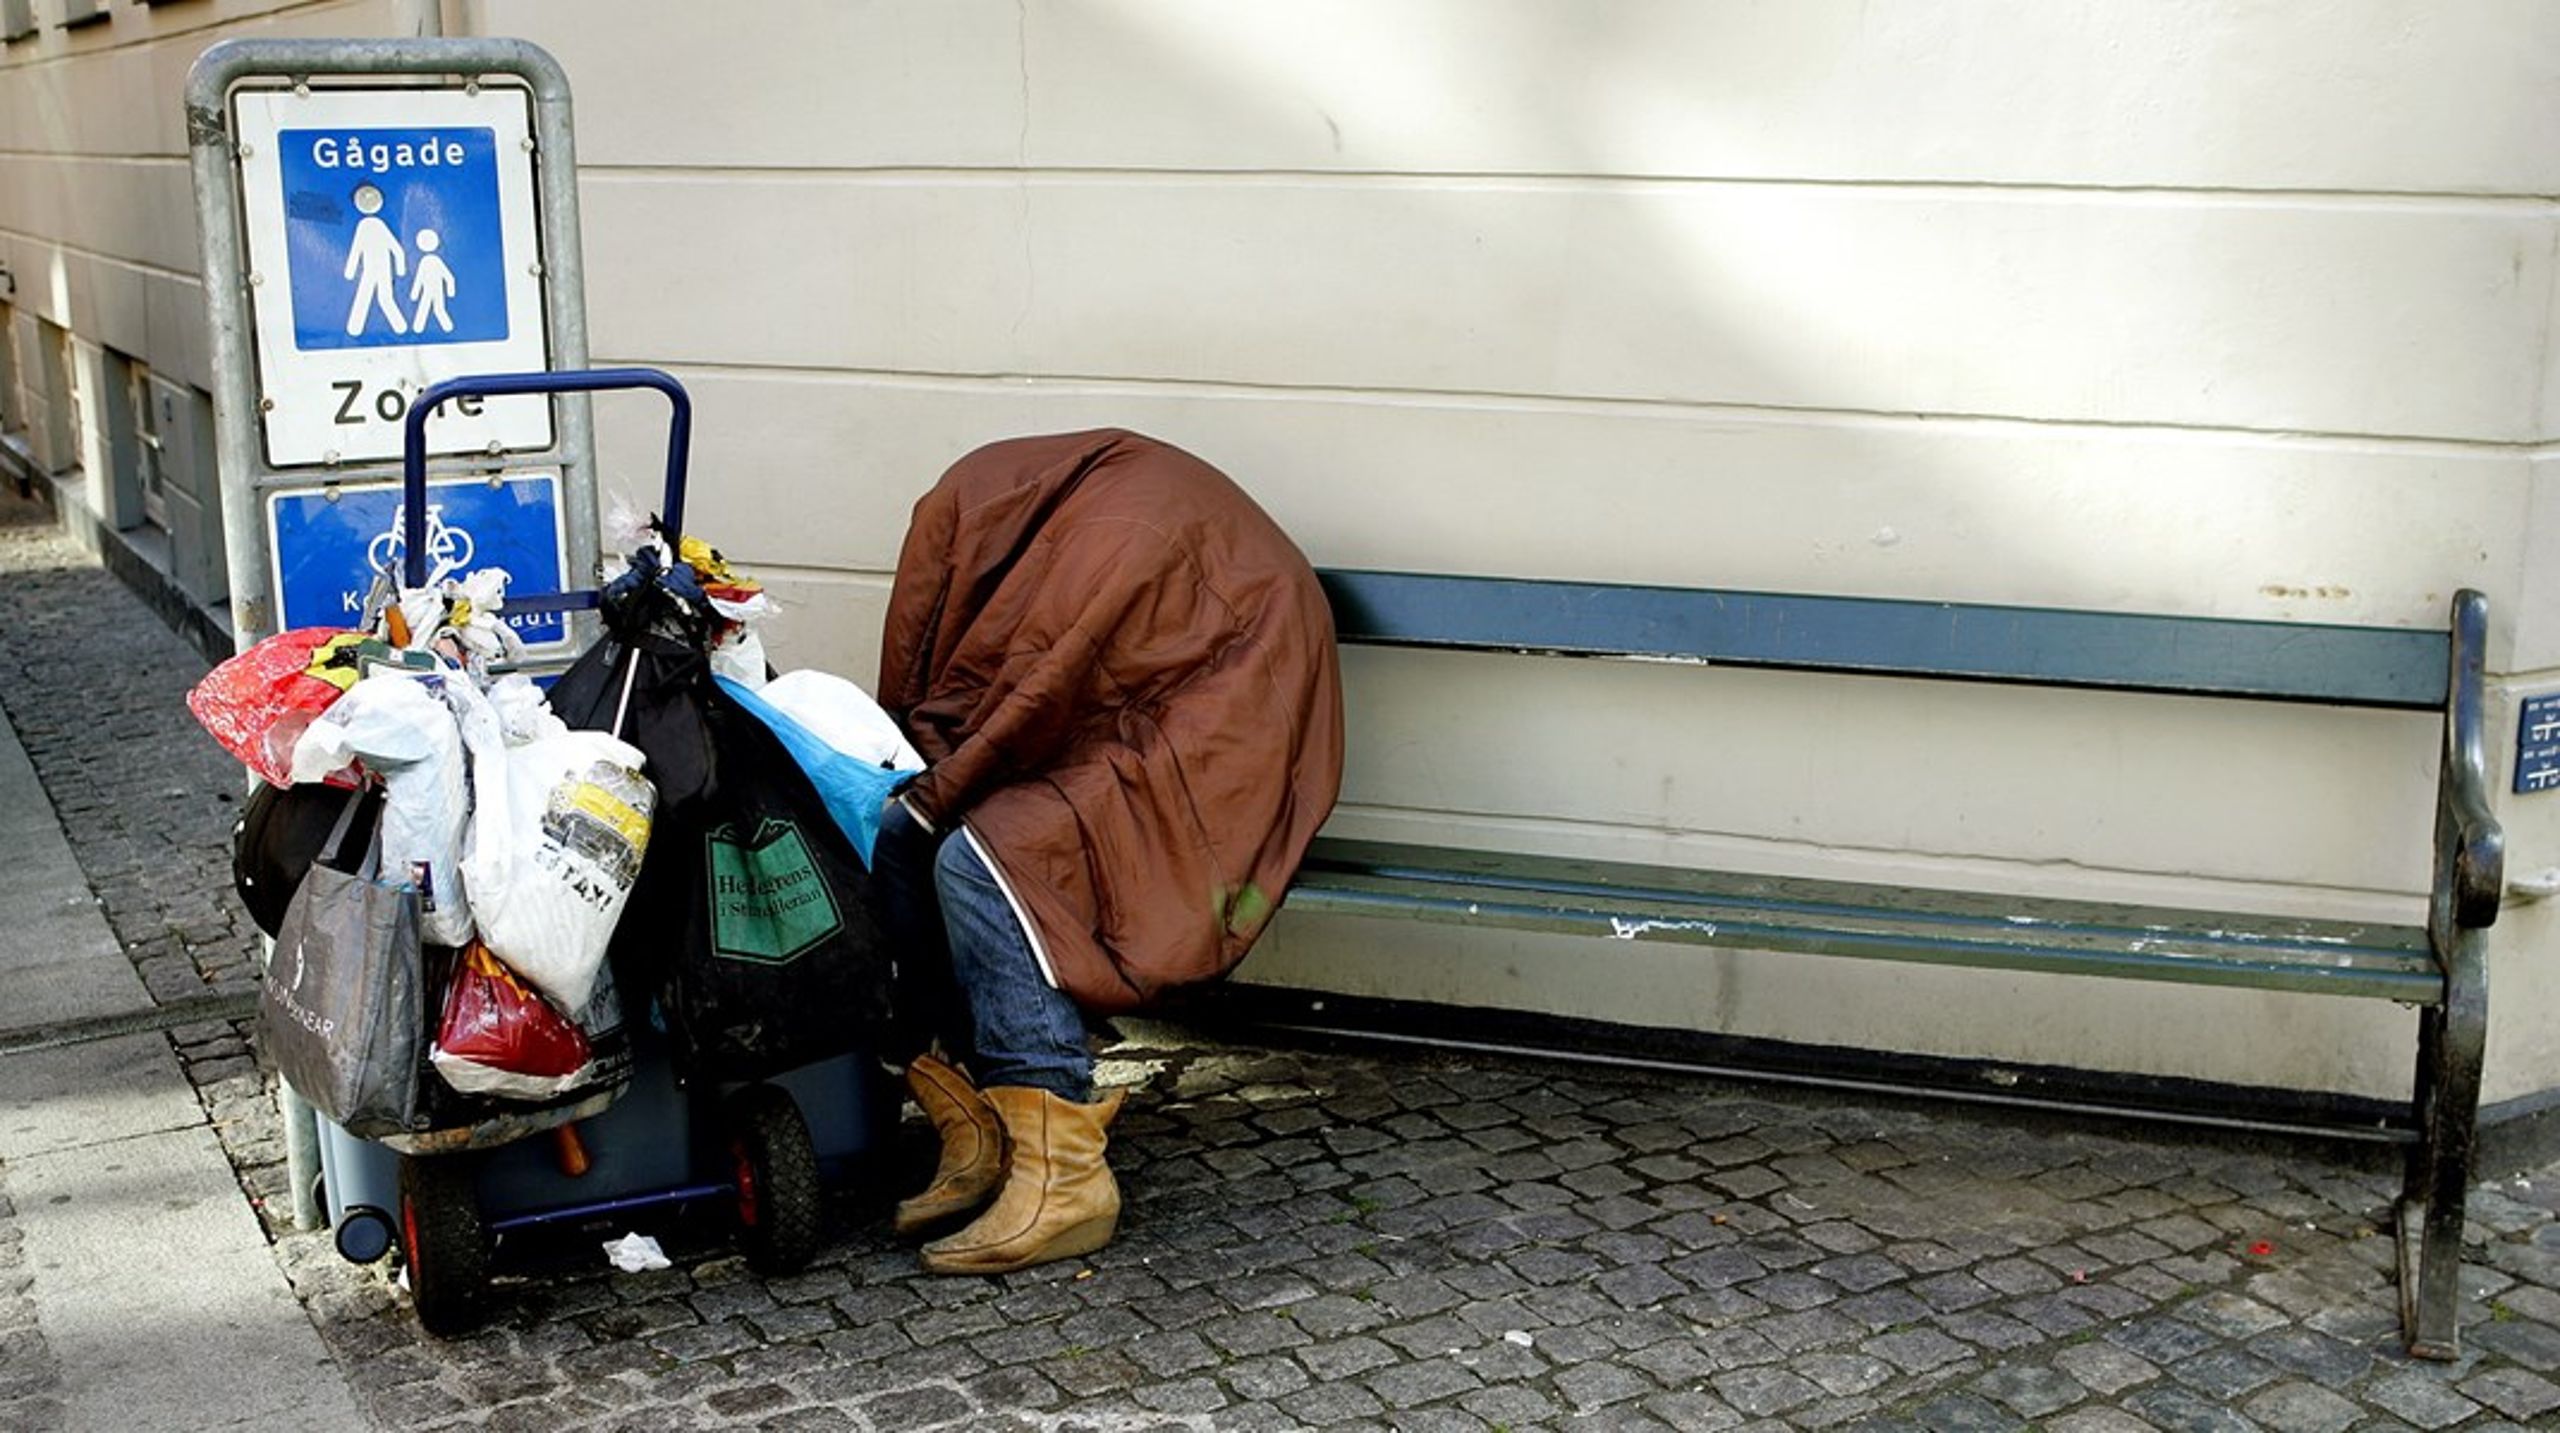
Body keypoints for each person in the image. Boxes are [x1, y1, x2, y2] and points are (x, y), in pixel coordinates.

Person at [870, 429, 1344, 1275]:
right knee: (914, 839)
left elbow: (1036, 692)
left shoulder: (1102, 533)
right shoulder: (1069, 513)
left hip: (1229, 737)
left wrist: (935, 791)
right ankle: (983, 1123)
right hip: (1159, 717)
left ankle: (1065, 1172)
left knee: (988, 859)